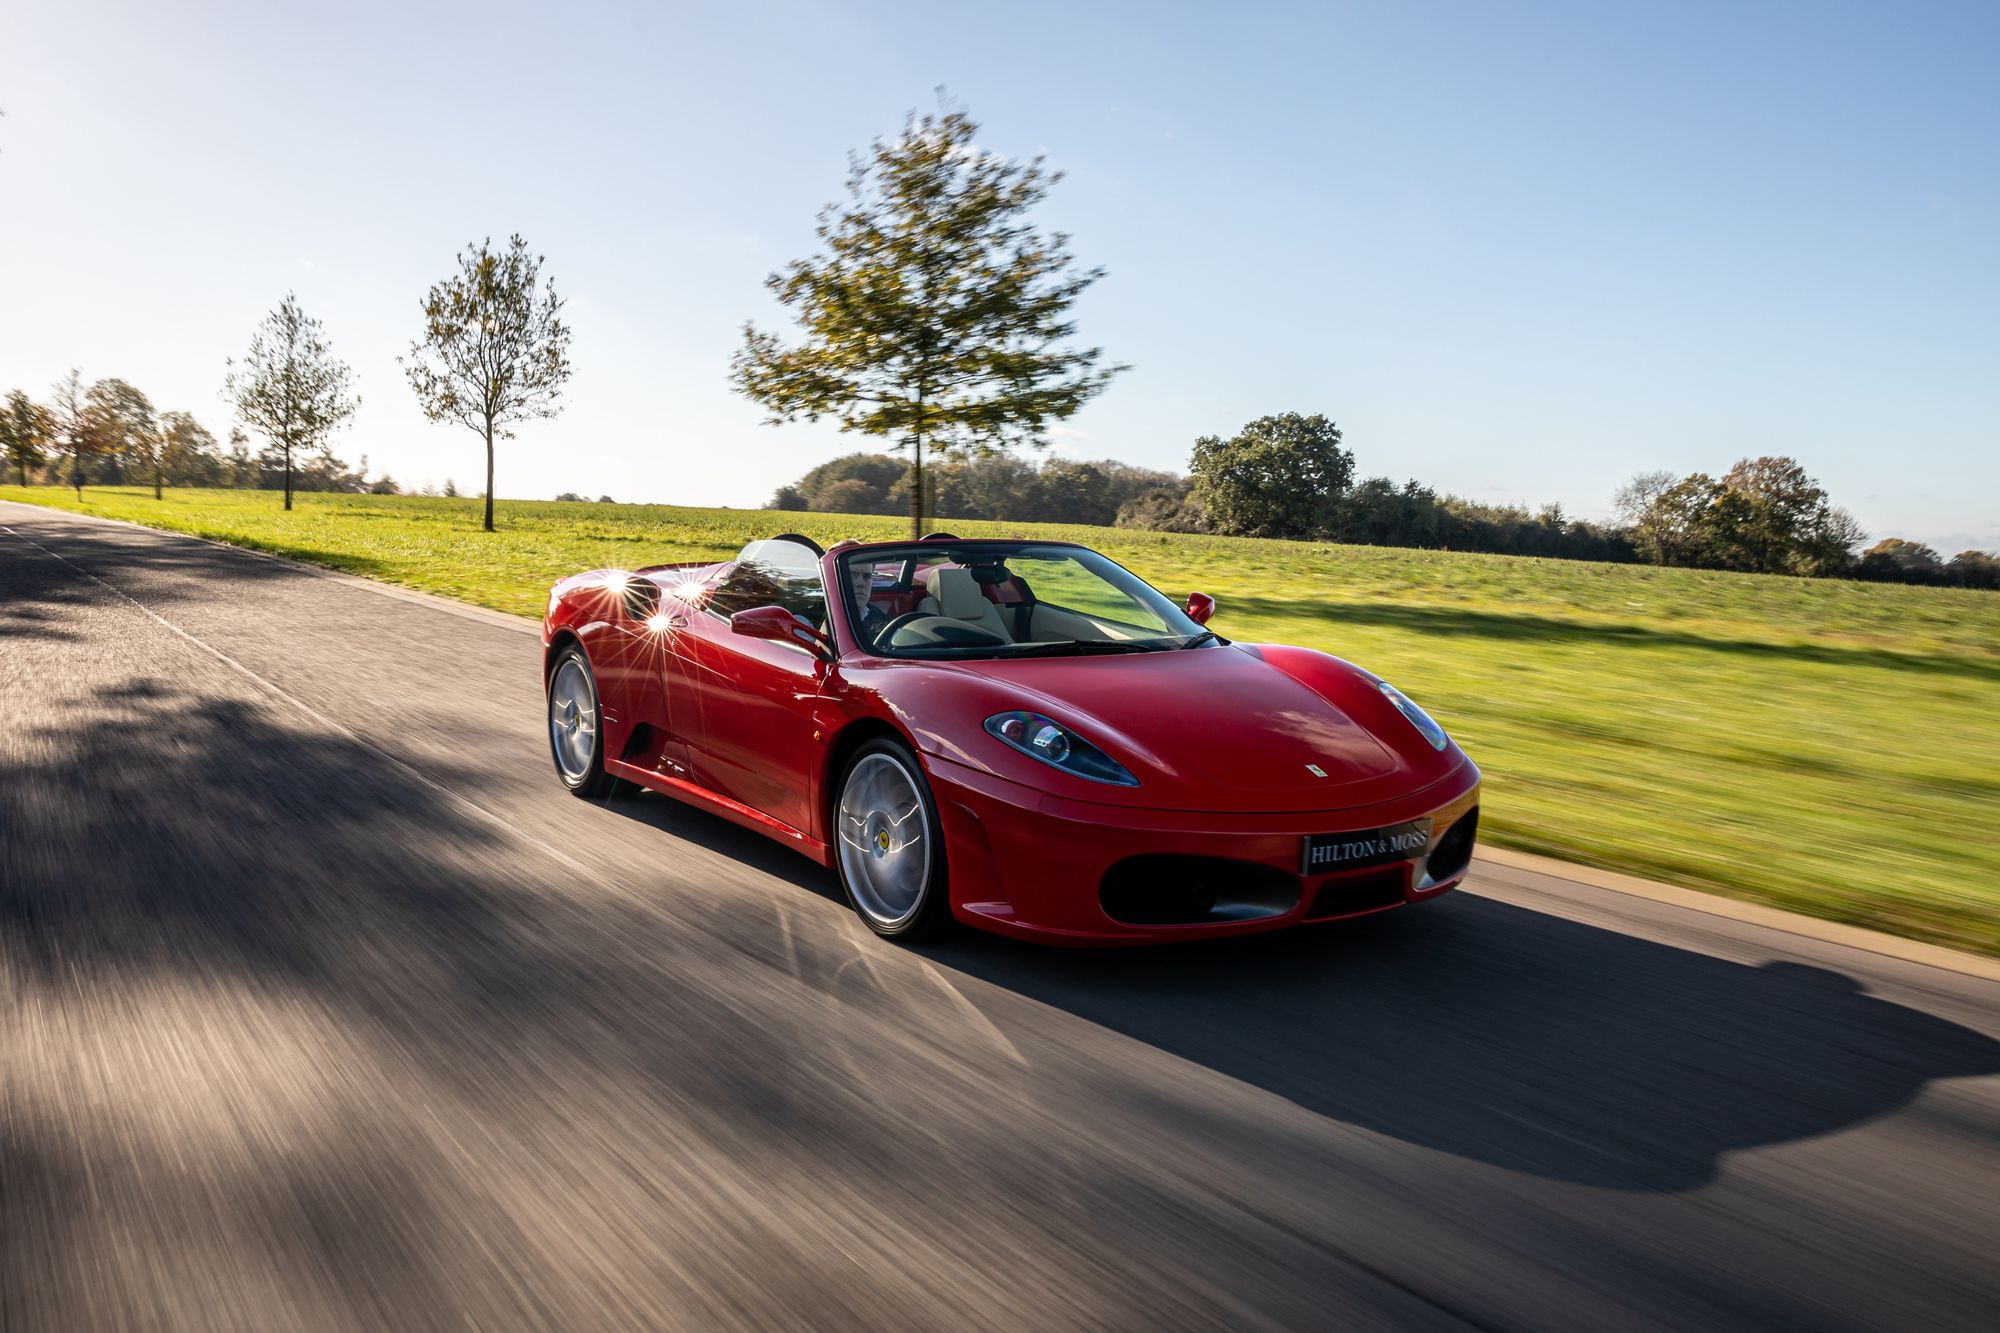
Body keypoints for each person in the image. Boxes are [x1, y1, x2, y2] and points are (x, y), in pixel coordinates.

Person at [848, 563, 889, 646]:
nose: (861, 583)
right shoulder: (819, 614)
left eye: (867, 577)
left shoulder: (881, 620)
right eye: (853, 575)